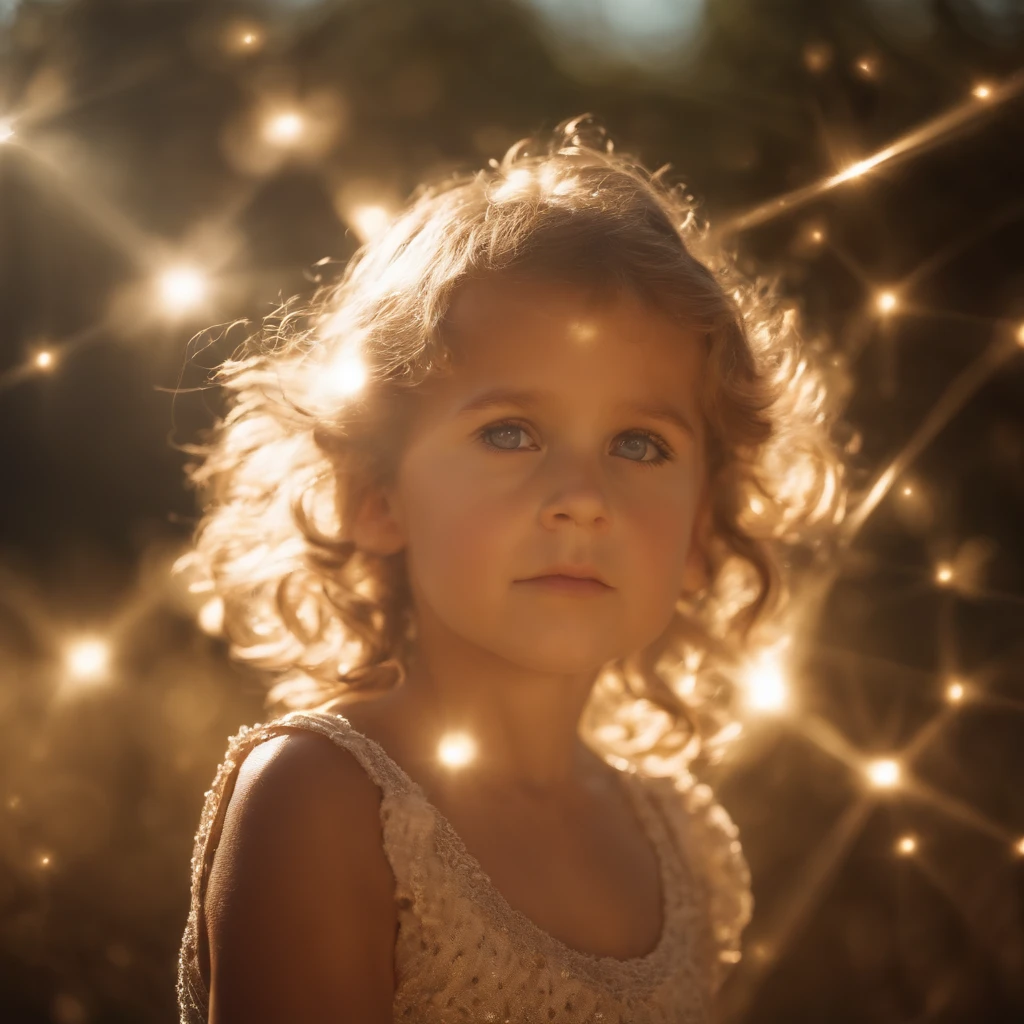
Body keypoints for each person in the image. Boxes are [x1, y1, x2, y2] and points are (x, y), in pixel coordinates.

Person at [174, 114, 844, 1023]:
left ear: (699, 533)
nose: (582, 497)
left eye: (638, 444)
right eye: (510, 432)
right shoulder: (324, 803)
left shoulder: (684, 849)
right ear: (378, 496)